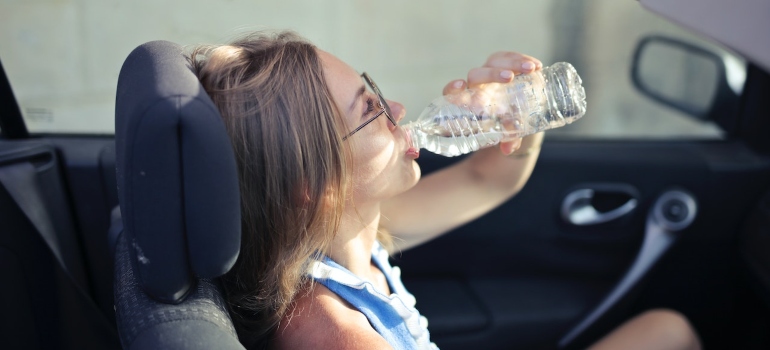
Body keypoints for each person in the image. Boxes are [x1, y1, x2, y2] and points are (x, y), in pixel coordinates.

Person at [190, 31, 701, 350]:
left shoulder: (350, 239)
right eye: (371, 110)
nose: (399, 111)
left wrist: (520, 116)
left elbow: (487, 180)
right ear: (315, 184)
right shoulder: (333, 334)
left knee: (667, 330)